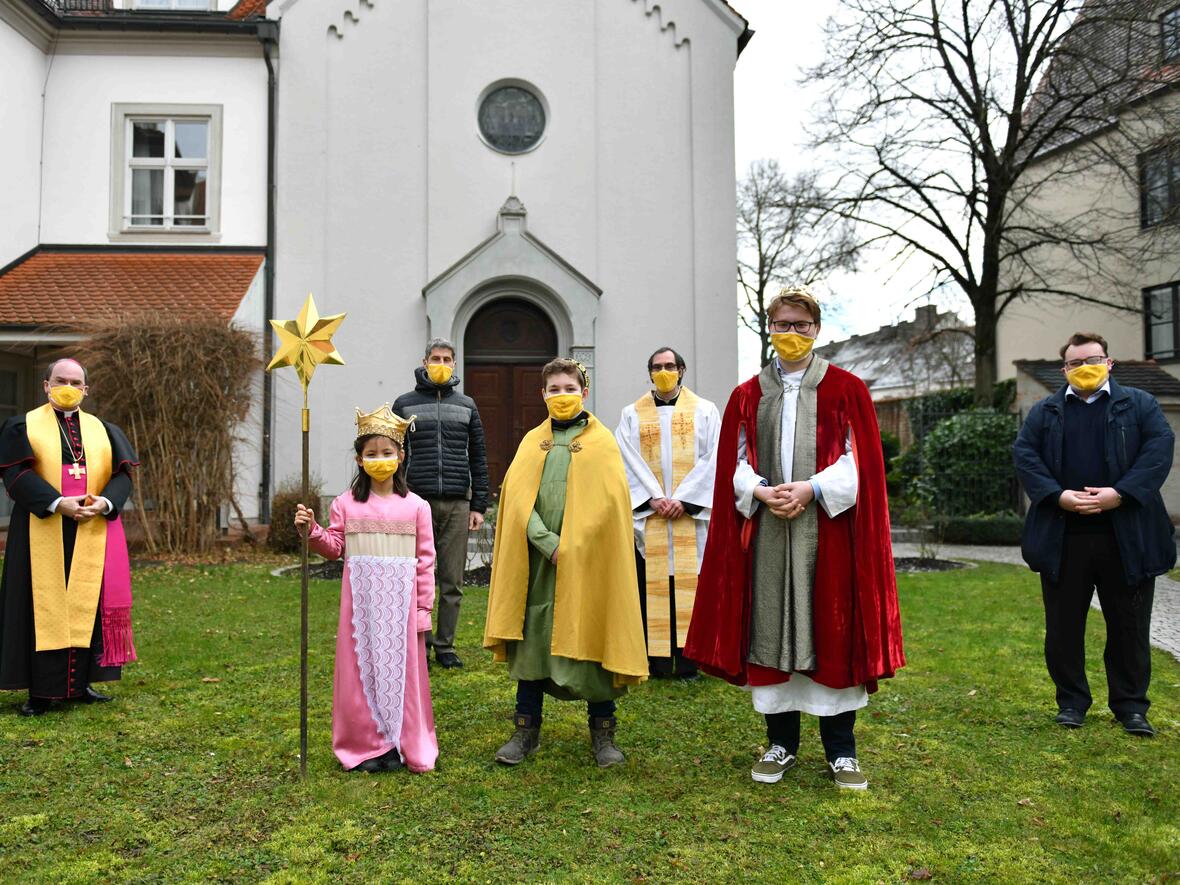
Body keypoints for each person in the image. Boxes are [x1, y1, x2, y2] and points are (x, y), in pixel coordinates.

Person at [685, 287, 905, 790]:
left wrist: (813, 487)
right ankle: (780, 743)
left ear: (817, 330)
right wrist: (762, 492)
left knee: (833, 626)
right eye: (781, 325)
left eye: (799, 326)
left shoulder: (847, 389)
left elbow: (859, 461)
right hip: (767, 531)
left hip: (829, 530)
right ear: (769, 328)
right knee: (771, 629)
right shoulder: (748, 394)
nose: (790, 334)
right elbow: (733, 464)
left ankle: (842, 751)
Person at [484, 358, 647, 768]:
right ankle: (525, 731)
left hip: (589, 563)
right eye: (554, 390)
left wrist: (574, 544)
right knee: (532, 638)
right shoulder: (530, 442)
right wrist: (546, 541)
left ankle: (603, 734)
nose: (561, 396)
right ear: (543, 395)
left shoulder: (603, 442)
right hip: (538, 564)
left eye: (569, 389)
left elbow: (610, 506)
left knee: (594, 635)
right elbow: (516, 500)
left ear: (584, 393)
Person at [1013, 332, 1174, 737]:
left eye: (1094, 359)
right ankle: (1071, 703)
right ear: (1064, 369)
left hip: (1128, 536)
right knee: (1064, 628)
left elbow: (1158, 449)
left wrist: (1119, 495)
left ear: (1109, 362)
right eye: (1075, 363)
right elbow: (1025, 455)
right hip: (1064, 537)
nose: (1085, 368)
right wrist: (1057, 496)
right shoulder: (1045, 411)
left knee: (1130, 627)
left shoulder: (1140, 405)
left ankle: (1131, 707)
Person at [294, 403, 439, 772]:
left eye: (387, 453)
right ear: (359, 460)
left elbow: (425, 561)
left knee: (401, 673)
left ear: (401, 456)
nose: (380, 460)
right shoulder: (346, 505)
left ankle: (401, 741)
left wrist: (423, 610)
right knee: (360, 673)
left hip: (401, 609)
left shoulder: (417, 507)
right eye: (371, 454)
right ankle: (366, 745)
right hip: (361, 606)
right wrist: (311, 531)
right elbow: (334, 548)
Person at [0, 358, 138, 716]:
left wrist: (105, 502)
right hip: (41, 524)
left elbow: (122, 476)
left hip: (90, 523)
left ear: (86, 390)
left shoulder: (103, 430)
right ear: (45, 385)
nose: (68, 387)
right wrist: (58, 503)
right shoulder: (23, 425)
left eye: (76, 382)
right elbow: (15, 475)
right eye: (60, 380)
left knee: (87, 604)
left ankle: (81, 684)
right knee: (40, 606)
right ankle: (42, 692)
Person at [615, 347, 720, 679]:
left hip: (690, 515)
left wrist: (686, 500)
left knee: (691, 587)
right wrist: (655, 499)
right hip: (653, 515)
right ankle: (657, 662)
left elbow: (716, 457)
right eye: (657, 367)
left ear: (682, 369)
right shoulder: (631, 414)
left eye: (669, 366)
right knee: (653, 587)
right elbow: (626, 460)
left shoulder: (705, 410)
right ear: (649, 372)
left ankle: (689, 662)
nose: (663, 372)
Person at [393, 338, 489, 670]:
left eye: (447, 359)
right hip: (414, 503)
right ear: (424, 361)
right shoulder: (404, 405)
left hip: (457, 504)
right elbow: (393, 454)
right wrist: (394, 499)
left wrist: (478, 505)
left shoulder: (467, 405)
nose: (441, 363)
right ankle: (418, 641)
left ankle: (445, 645)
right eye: (436, 358)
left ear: (454, 365)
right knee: (414, 578)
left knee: (452, 580)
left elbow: (478, 456)